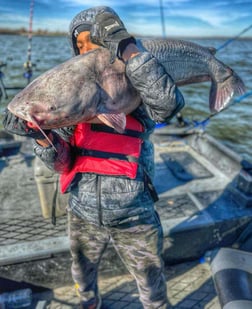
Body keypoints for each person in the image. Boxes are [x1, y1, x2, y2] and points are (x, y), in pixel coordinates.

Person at [3, 6, 185, 309]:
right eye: (80, 46)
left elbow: (168, 105)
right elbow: (61, 163)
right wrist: (39, 134)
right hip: (82, 211)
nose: (87, 51)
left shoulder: (137, 94)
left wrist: (129, 49)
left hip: (134, 213)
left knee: (151, 282)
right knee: (82, 275)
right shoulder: (71, 104)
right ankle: (88, 303)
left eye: (97, 43)